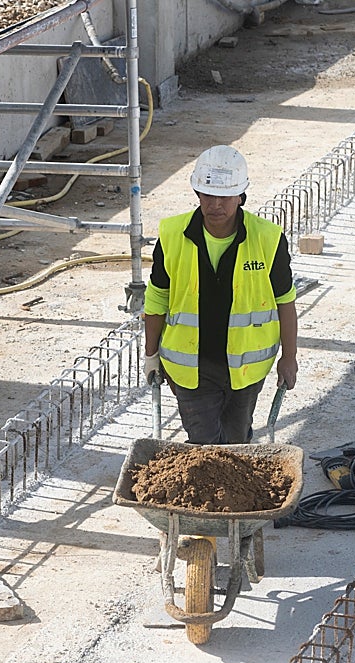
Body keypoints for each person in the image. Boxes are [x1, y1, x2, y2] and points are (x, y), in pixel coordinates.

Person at [142, 145, 298, 445]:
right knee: (203, 443)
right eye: (208, 195)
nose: (216, 205)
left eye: (225, 196)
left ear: (241, 196)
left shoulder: (268, 239)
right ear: (197, 194)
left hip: (247, 369)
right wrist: (151, 354)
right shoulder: (172, 235)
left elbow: (285, 303)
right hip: (191, 368)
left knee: (237, 440)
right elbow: (157, 298)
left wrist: (289, 357)